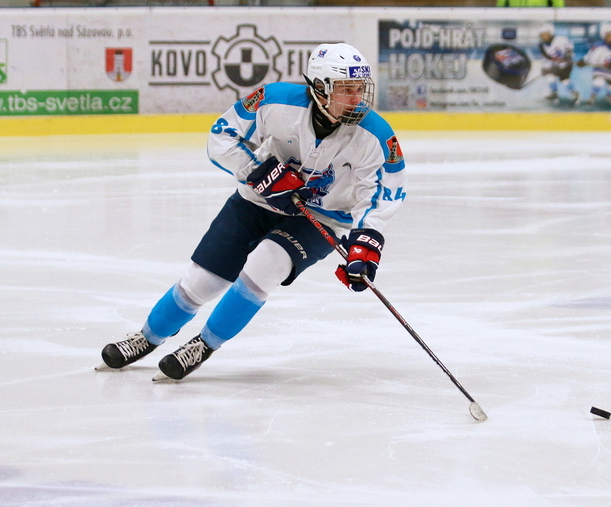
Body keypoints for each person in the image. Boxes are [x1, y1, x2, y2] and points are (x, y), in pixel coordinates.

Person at [99, 43, 407, 382]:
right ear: (320, 88)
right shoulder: (275, 101)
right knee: (203, 281)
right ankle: (147, 337)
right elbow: (221, 137)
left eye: (360, 89)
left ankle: (204, 344)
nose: (357, 99)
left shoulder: (376, 136)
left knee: (266, 263)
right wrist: (259, 172)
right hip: (256, 201)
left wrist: (365, 241)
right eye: (346, 90)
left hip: (322, 218)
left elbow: (383, 193)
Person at [576, 22, 611, 105]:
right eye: (610, 35)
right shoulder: (597, 45)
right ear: (604, 35)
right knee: (598, 81)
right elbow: (589, 55)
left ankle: (610, 96)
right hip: (600, 69)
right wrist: (583, 61)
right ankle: (592, 97)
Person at [537, 23, 578, 104]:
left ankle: (575, 94)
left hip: (566, 65)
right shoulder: (541, 45)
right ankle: (554, 94)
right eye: (542, 35)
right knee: (550, 77)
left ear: (551, 33)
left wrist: (566, 56)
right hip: (555, 65)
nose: (544, 37)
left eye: (546, 34)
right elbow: (547, 58)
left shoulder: (561, 40)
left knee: (564, 80)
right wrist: (545, 68)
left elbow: (569, 49)